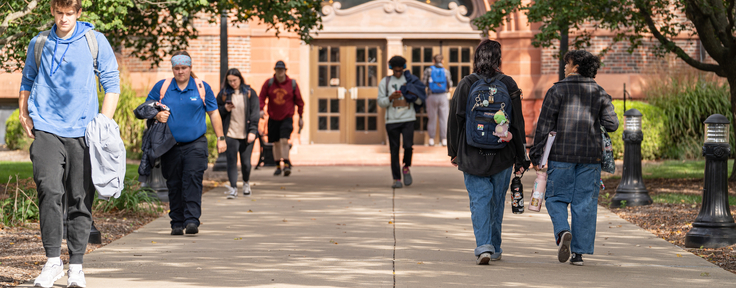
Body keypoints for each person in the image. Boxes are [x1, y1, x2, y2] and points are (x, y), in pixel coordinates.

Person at [18, 0, 121, 286]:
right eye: (59, 13)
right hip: (47, 128)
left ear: (78, 13)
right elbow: (27, 80)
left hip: (84, 131)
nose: (64, 19)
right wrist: (24, 114)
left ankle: (76, 265)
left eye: (69, 14)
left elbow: (112, 83)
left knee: (79, 197)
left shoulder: (94, 41)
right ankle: (52, 262)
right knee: (49, 191)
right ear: (52, 11)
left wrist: (102, 124)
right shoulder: (39, 42)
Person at [529, 50, 618, 266]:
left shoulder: (558, 90)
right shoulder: (599, 92)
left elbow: (544, 125)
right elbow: (612, 124)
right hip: (590, 157)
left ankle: (562, 231)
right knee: (585, 203)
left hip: (562, 155)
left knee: (555, 198)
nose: (565, 68)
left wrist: (536, 155)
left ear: (576, 66)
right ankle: (578, 254)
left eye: (567, 64)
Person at [447, 39, 529, 265]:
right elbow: (518, 124)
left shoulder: (466, 84)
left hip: (472, 153)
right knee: (495, 202)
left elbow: (455, 120)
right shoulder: (509, 84)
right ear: (498, 59)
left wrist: (453, 151)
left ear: (476, 58)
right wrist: (521, 156)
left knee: (479, 200)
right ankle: (496, 247)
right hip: (502, 154)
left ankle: (483, 246)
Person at [146, 51, 227, 236]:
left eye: (184, 68)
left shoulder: (201, 87)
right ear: (172, 68)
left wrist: (221, 138)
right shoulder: (163, 87)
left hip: (195, 144)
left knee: (192, 180)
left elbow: (214, 113)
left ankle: (191, 221)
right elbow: (147, 107)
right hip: (169, 146)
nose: (180, 71)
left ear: (190, 68)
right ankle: (176, 222)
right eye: (177, 68)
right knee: (174, 184)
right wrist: (157, 114)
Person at [377, 55, 425, 188]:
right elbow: (380, 102)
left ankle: (406, 167)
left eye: (400, 71)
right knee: (394, 150)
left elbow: (421, 100)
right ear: (391, 69)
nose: (398, 73)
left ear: (404, 68)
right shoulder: (385, 82)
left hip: (408, 118)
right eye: (395, 71)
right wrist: (390, 97)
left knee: (408, 146)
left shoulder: (411, 80)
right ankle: (396, 179)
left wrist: (410, 95)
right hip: (392, 120)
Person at [217, 68, 259, 199]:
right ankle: (233, 187)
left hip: (246, 134)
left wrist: (253, 131)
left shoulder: (250, 93)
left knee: (246, 163)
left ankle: (246, 183)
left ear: (240, 78)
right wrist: (225, 108)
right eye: (229, 81)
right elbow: (215, 112)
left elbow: (255, 113)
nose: (232, 83)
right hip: (230, 133)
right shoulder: (223, 94)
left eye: (234, 80)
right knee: (231, 161)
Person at [259, 60, 304, 177]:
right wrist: (261, 109)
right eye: (278, 70)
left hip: (287, 117)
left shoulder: (292, 84)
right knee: (276, 142)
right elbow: (261, 97)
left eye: (282, 70)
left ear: (285, 71)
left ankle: (287, 163)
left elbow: (299, 101)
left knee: (284, 140)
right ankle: (278, 165)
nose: (280, 72)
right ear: (275, 71)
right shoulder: (269, 83)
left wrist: (300, 116)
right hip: (273, 117)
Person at [422, 54, 453, 147]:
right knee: (444, 118)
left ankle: (431, 139)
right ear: (442, 61)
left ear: (433, 61)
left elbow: (423, 83)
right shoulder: (446, 71)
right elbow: (450, 85)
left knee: (432, 117)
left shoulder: (428, 70)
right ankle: (444, 139)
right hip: (443, 96)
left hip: (432, 96)